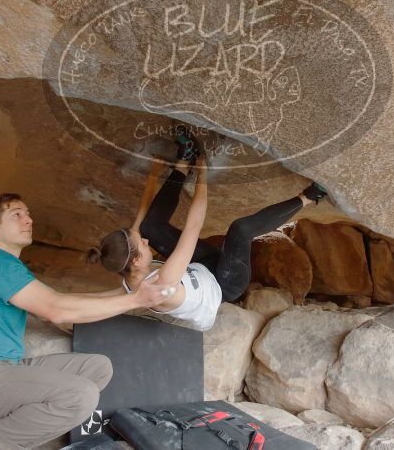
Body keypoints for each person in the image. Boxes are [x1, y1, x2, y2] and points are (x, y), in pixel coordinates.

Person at [0, 193, 176, 450]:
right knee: (80, 396)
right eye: (17, 215)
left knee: (97, 367)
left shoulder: (7, 267)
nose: (28, 220)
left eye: (27, 213)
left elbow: (60, 300)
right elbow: (56, 310)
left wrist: (128, 292)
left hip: (3, 369)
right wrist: (136, 301)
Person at [88, 131, 328, 331]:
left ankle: (185, 159)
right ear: (138, 260)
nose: (146, 240)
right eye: (142, 243)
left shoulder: (129, 273)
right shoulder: (163, 283)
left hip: (201, 268)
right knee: (240, 230)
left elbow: (143, 221)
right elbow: (194, 224)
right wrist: (203, 174)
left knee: (151, 226)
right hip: (225, 284)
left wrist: (154, 177)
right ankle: (309, 198)